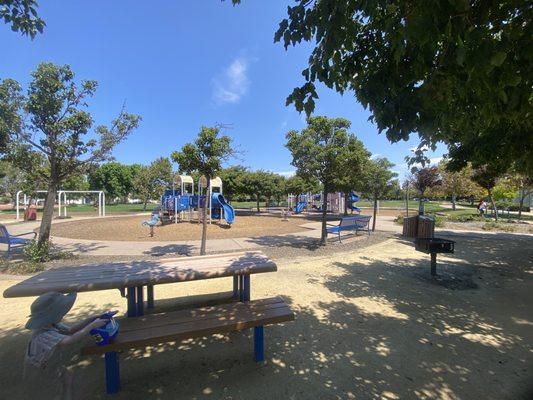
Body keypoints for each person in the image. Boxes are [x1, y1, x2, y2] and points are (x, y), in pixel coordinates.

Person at [24, 291, 115, 399]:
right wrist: (92, 326)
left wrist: (91, 319)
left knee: (67, 377)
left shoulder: (53, 324)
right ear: (53, 314)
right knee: (51, 392)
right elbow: (70, 339)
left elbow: (72, 330)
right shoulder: (44, 334)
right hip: (39, 371)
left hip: (49, 364)